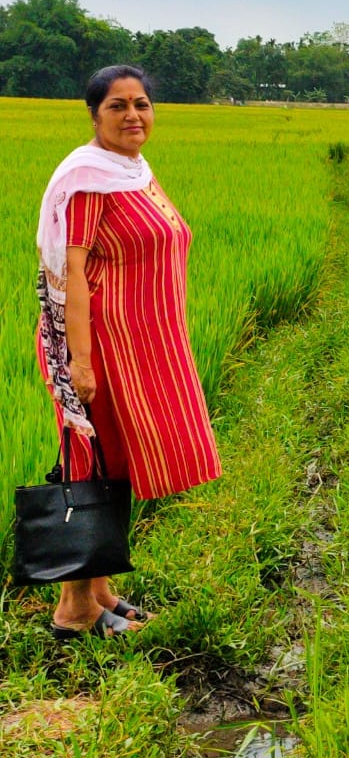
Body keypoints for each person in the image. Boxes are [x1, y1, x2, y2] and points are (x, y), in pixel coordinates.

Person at [35, 65, 222, 639]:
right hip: (104, 345)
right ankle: (74, 608)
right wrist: (81, 362)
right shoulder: (89, 177)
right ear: (94, 114)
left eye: (141, 104)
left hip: (145, 343)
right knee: (91, 463)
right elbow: (72, 271)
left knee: (116, 464)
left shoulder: (132, 170)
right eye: (118, 106)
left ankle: (100, 590)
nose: (133, 116)